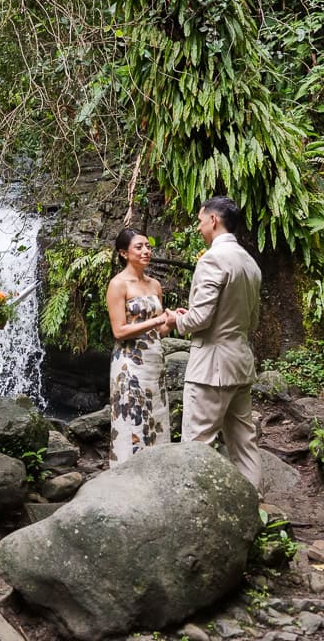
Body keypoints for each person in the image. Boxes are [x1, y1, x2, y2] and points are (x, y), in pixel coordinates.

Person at [160, 196, 263, 489]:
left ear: (213, 220)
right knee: (245, 444)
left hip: (211, 369)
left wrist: (175, 320)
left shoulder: (213, 259)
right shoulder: (250, 263)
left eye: (200, 221)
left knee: (197, 443)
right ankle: (256, 507)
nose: (198, 227)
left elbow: (200, 320)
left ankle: (195, 514)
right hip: (240, 363)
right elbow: (251, 321)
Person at [106, 229, 174, 463]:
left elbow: (160, 331)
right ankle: (126, 476)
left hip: (154, 360)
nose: (146, 251)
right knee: (132, 420)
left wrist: (170, 322)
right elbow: (119, 331)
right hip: (129, 365)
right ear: (124, 253)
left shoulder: (155, 284)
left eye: (148, 246)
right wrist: (155, 320)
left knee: (155, 416)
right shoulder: (118, 284)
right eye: (139, 247)